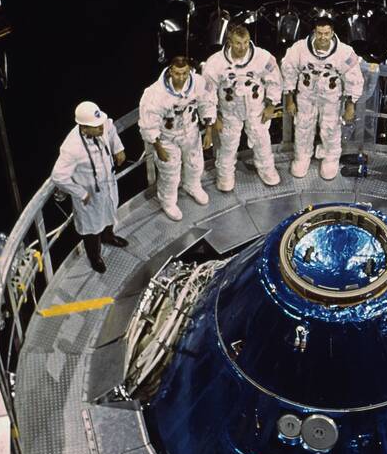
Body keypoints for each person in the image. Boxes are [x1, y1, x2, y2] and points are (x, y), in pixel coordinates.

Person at [201, 23, 282, 191]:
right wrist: (213, 118)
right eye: (238, 43)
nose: (242, 47)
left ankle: (267, 169)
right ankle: (225, 175)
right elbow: (207, 94)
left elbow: (275, 81)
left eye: (245, 42)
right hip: (229, 111)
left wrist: (271, 105)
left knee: (262, 140)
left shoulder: (262, 57)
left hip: (256, 108)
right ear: (229, 42)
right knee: (228, 145)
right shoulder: (215, 63)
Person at [51, 101, 128, 274]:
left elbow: (111, 129)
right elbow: (58, 176)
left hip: (107, 184)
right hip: (89, 194)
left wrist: (118, 148)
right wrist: (80, 193)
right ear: (84, 128)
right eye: (96, 127)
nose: (102, 128)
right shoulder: (71, 148)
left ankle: (109, 236)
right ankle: (95, 257)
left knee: (109, 212)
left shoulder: (102, 125)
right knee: (92, 229)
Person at [281, 21, 364, 180]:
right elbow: (288, 73)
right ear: (314, 32)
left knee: (330, 127)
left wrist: (350, 106)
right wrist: (289, 100)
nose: (323, 37)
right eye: (320, 33)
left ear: (332, 33)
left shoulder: (345, 52)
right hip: (306, 96)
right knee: (303, 126)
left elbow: (354, 80)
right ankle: (302, 157)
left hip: (331, 97)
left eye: (326, 33)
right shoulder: (299, 49)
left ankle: (330, 158)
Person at [138, 56, 215, 221]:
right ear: (170, 71)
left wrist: (208, 131)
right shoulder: (155, 93)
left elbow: (207, 104)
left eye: (185, 73)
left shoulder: (198, 83)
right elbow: (148, 124)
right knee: (170, 173)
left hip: (191, 132)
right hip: (167, 137)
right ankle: (168, 201)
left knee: (195, 163)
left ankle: (192, 185)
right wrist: (159, 148)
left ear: (189, 71)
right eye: (177, 73)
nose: (181, 77)